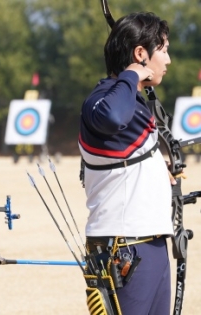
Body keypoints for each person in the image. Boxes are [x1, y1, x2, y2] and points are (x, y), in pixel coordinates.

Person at [78, 12, 174, 315]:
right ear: (141, 53)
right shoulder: (102, 98)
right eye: (164, 49)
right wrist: (132, 74)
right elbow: (111, 117)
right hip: (122, 250)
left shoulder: (131, 102)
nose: (168, 60)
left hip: (151, 244)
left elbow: (123, 159)